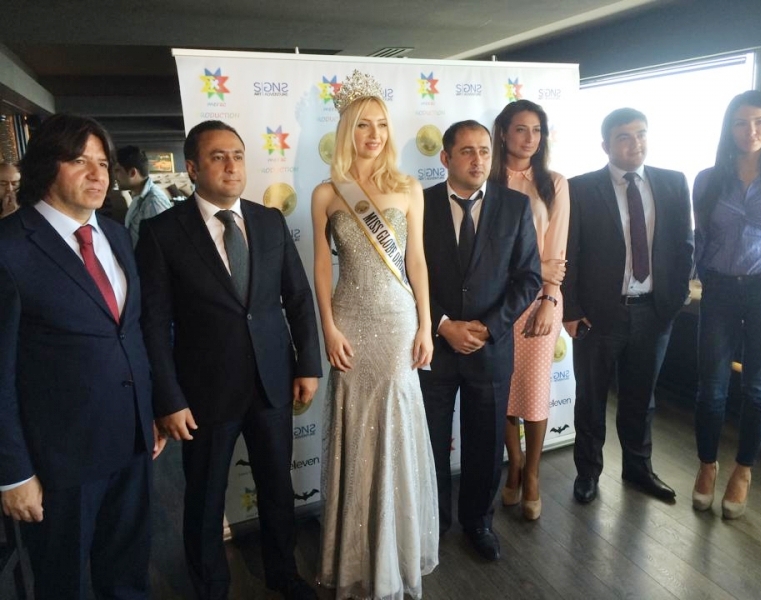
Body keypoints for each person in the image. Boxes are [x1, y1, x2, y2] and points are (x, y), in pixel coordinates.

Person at [136, 120, 322, 600]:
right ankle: (211, 587)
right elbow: (152, 324)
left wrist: (308, 363)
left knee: (277, 487)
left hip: (272, 381)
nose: (231, 166)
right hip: (203, 392)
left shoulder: (268, 221)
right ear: (193, 168)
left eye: (237, 155)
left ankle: (283, 573)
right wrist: (168, 398)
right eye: (218, 157)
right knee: (204, 498)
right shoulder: (162, 233)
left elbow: (298, 298)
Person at [0, 114, 164, 599]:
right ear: (46, 167)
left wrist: (150, 411)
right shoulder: (10, 248)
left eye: (103, 163)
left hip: (131, 442)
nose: (98, 175)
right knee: (63, 582)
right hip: (58, 462)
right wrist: (13, 473)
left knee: (128, 573)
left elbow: (130, 333)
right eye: (79, 161)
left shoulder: (115, 234)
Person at [312, 70, 438, 600]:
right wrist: (327, 326)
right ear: (347, 130)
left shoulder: (408, 188)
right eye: (363, 125)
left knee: (392, 429)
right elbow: (322, 266)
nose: (374, 134)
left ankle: (394, 555)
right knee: (354, 428)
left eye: (382, 124)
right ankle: (357, 554)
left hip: (396, 321)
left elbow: (417, 261)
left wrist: (426, 324)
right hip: (349, 321)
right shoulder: (325, 193)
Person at [421, 120, 541, 561]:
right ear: (445, 157)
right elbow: (406, 277)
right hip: (434, 348)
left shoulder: (514, 206)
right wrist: (443, 324)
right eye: (467, 151)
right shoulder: (419, 204)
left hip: (490, 348)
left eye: (485, 151)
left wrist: (490, 327)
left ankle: (478, 522)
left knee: (486, 444)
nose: (478, 160)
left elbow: (528, 278)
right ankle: (433, 522)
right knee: (430, 442)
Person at [563, 108, 693, 505]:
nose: (635, 143)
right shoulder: (580, 188)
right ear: (606, 145)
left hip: (653, 312)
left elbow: (684, 245)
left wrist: (674, 298)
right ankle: (588, 473)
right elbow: (570, 252)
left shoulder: (673, 182)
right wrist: (571, 310)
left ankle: (638, 469)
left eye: (641, 134)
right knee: (591, 399)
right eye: (624, 136)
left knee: (641, 399)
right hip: (598, 315)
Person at [691, 90, 761, 519]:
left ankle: (743, 470)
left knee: (757, 385)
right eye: (741, 122)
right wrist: (704, 279)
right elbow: (702, 237)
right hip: (719, 289)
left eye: (759, 122)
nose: (750, 131)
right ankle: (707, 465)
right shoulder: (708, 178)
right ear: (729, 127)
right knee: (711, 386)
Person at [489, 100, 569, 521]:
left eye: (537, 130)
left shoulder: (554, 183)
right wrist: (534, 267)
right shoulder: (486, 180)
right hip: (495, 302)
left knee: (535, 390)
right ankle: (514, 463)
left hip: (539, 303)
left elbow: (556, 251)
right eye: (521, 129)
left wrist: (549, 298)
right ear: (503, 133)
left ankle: (533, 473)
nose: (530, 138)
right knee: (501, 389)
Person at [114, 145, 172, 246]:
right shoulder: (139, 197)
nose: (115, 176)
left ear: (132, 172)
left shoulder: (153, 202)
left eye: (117, 170)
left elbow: (162, 245)